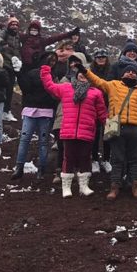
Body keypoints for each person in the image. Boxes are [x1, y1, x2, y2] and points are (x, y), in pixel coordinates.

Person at [84, 60, 137, 199]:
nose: (131, 73)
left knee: (134, 160)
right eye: (128, 71)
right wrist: (84, 71)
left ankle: (135, 187)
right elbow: (97, 81)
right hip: (116, 127)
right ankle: (114, 187)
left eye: (134, 72)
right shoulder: (113, 85)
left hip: (135, 129)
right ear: (122, 74)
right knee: (117, 159)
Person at [39, 64, 106, 196]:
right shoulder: (66, 88)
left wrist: (109, 126)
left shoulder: (96, 93)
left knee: (85, 158)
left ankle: (84, 186)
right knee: (68, 158)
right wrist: (46, 70)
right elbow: (50, 86)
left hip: (87, 131)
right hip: (69, 130)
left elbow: (102, 113)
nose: (82, 75)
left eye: (85, 73)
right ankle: (66, 187)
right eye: (79, 73)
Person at [11, 53, 58, 181]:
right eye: (50, 60)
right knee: (25, 139)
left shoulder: (53, 76)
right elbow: (25, 88)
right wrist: (18, 73)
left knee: (42, 142)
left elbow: (55, 94)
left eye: (54, 60)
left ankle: (41, 170)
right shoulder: (33, 73)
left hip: (46, 111)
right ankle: (19, 168)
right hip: (31, 109)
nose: (52, 62)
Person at [0, 16, 22, 122]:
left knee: (9, 90)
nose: (14, 26)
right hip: (3, 64)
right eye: (12, 24)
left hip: (13, 66)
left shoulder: (18, 36)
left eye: (16, 25)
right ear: (9, 25)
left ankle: (6, 111)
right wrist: (2, 42)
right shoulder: (5, 32)